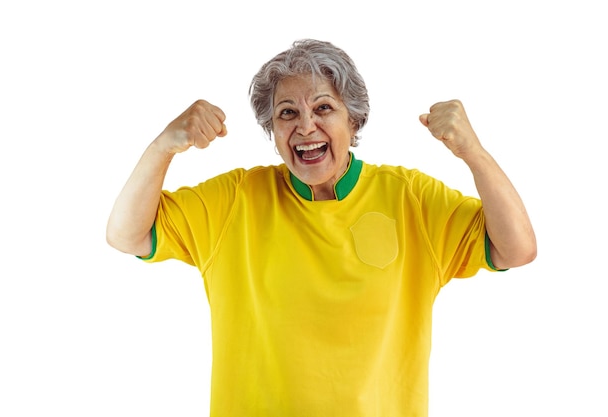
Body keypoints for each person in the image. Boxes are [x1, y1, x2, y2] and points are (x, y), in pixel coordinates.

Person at [106, 39, 536, 417]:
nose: (305, 127)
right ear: (272, 131)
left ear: (355, 120)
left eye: (323, 108)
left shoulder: (411, 199)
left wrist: (473, 152)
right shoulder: (235, 199)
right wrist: (164, 146)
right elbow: (127, 235)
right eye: (286, 113)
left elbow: (515, 249)